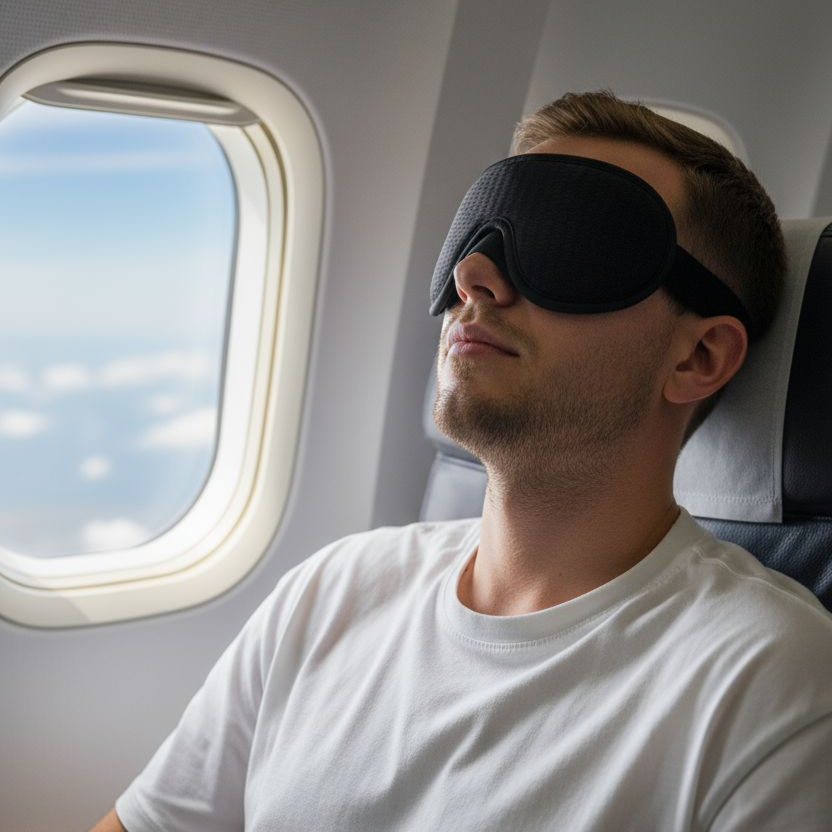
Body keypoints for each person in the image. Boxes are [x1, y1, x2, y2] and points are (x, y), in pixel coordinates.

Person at [91, 92, 832, 832]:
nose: (472, 276)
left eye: (567, 239)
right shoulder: (331, 594)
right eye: (476, 231)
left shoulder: (770, 681)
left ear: (699, 356)